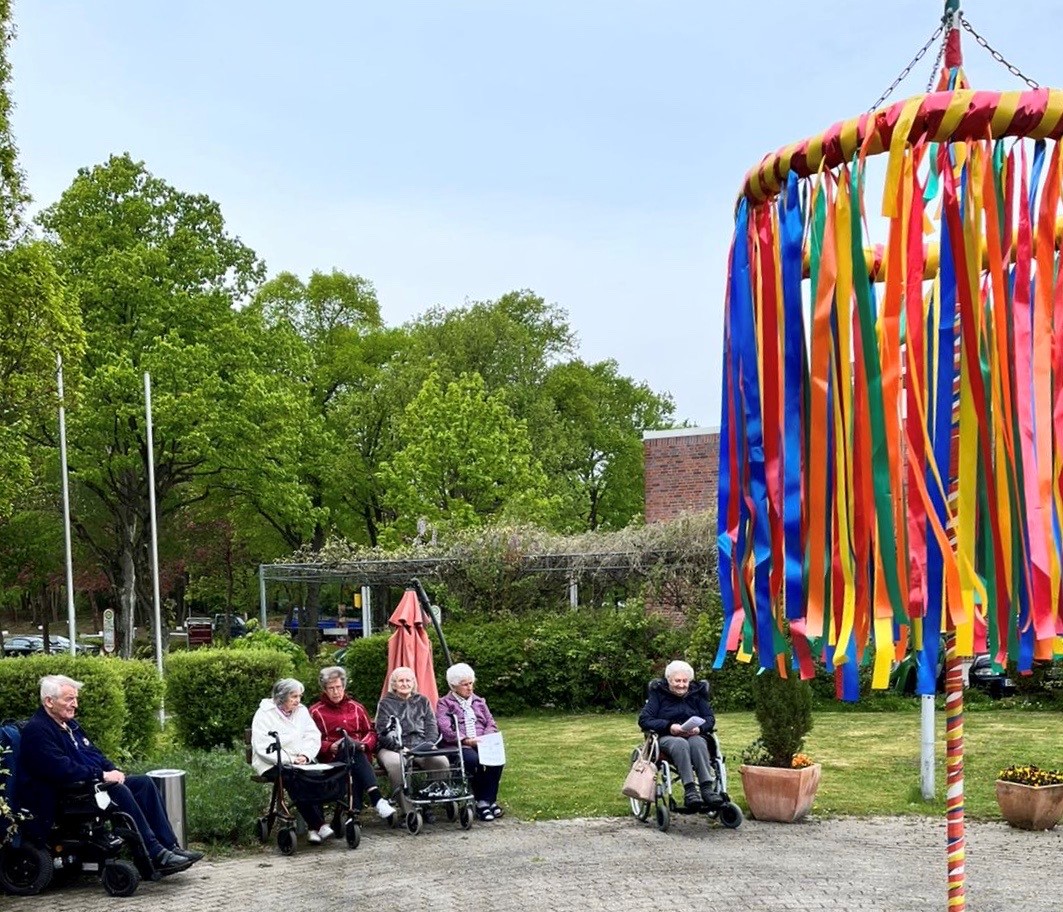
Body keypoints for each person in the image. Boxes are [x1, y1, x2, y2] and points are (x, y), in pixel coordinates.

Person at [17, 674, 201, 875]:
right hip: (65, 794)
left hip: (89, 784)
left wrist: (112, 770)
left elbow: (94, 753)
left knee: (143, 784)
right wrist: (101, 775)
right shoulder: (38, 730)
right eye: (69, 699)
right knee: (119, 791)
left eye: (76, 699)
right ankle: (155, 853)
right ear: (49, 702)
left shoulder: (70, 725)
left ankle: (170, 846)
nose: (75, 704)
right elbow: (59, 768)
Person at [251, 677, 340, 844]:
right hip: (273, 762)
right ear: (281, 697)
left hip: (301, 760)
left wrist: (305, 755)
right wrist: (290, 759)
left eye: (299, 696)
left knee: (314, 776)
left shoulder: (301, 710)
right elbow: (262, 747)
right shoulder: (264, 714)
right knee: (294, 779)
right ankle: (318, 824)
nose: (298, 700)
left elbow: (313, 735)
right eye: (293, 697)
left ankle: (314, 829)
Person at [308, 666, 395, 820]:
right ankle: (376, 799)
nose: (336, 692)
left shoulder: (356, 708)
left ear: (344, 686)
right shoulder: (316, 712)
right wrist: (330, 746)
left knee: (352, 748)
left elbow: (370, 732)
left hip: (358, 755)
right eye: (331, 688)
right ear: (325, 690)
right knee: (347, 747)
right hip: (333, 760)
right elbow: (310, 739)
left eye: (339, 687)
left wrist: (363, 745)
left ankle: (349, 816)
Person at [637, 660, 719, 810]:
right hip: (668, 737)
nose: (681, 685)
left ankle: (707, 789)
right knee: (680, 743)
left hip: (693, 735)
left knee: (698, 742)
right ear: (669, 680)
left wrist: (699, 729)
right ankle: (690, 791)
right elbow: (644, 720)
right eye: (677, 681)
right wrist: (670, 726)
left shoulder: (697, 694)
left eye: (685, 681)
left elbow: (710, 719)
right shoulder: (658, 694)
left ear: (689, 681)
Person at [374, 666, 449, 820]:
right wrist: (400, 747)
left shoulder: (422, 701)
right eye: (401, 681)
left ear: (413, 683)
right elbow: (382, 732)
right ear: (394, 684)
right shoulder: (385, 703)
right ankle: (408, 811)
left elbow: (431, 726)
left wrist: (428, 744)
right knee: (397, 765)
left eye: (408, 680)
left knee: (441, 761)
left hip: (420, 745)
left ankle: (426, 801)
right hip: (392, 748)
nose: (405, 684)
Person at [436, 662, 505, 821]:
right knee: (474, 761)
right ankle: (485, 804)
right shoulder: (444, 703)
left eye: (471, 683)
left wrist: (486, 737)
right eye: (464, 684)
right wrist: (467, 740)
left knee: (497, 760)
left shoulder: (479, 701)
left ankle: (486, 801)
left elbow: (490, 722)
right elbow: (446, 728)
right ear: (453, 686)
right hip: (459, 744)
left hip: (482, 740)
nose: (469, 687)